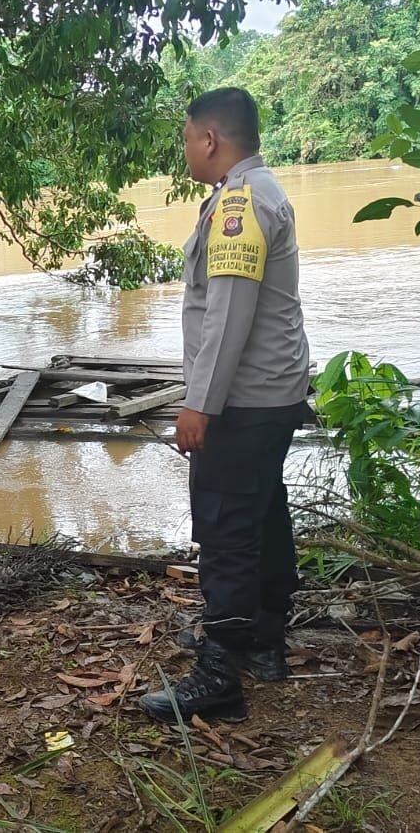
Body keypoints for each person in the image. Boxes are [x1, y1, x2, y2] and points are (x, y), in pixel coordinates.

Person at [139, 88, 312, 726]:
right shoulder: (258, 191)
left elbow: (228, 314)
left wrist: (199, 405)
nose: (185, 150)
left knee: (225, 528)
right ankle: (262, 642)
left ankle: (219, 674)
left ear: (209, 139)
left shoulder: (239, 204)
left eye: (187, 138)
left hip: (243, 399)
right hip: (274, 391)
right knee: (263, 514)